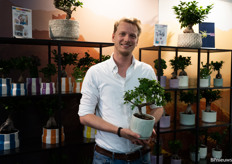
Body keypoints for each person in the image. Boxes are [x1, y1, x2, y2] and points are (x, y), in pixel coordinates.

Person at [78, 17, 164, 164]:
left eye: (132, 36)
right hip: (106, 157)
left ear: (137, 41)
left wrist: (149, 125)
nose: (127, 39)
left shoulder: (147, 71)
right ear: (113, 37)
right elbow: (85, 116)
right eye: (122, 34)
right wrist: (120, 131)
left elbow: (158, 107)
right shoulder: (96, 72)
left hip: (141, 157)